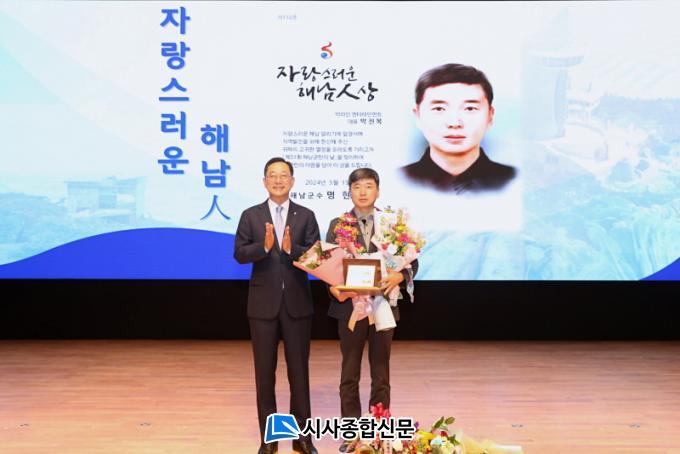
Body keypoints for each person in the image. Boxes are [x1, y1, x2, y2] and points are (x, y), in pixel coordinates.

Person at [325, 168, 418, 454]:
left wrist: (399, 276)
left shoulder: (392, 223)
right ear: (349, 192)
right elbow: (329, 264)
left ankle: (377, 434)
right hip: (351, 306)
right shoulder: (338, 224)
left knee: (381, 372)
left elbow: (412, 261)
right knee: (349, 372)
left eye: (368, 186)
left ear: (377, 190)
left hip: (382, 305)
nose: (363, 192)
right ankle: (351, 433)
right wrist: (333, 287)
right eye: (357, 187)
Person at [234, 157, 320, 454]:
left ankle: (302, 439)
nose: (279, 180)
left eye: (284, 175)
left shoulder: (306, 215)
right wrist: (264, 247)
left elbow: (316, 258)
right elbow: (239, 254)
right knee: (264, 375)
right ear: (265, 181)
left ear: (292, 181)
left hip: (297, 305)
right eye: (273, 175)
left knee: (299, 374)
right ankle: (269, 440)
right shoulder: (251, 215)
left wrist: (291, 249)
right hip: (262, 306)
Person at [400, 63, 516, 194]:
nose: (454, 123)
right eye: (439, 109)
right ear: (418, 116)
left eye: (470, 108)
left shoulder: (516, 182)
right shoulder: (396, 183)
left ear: (490, 116)